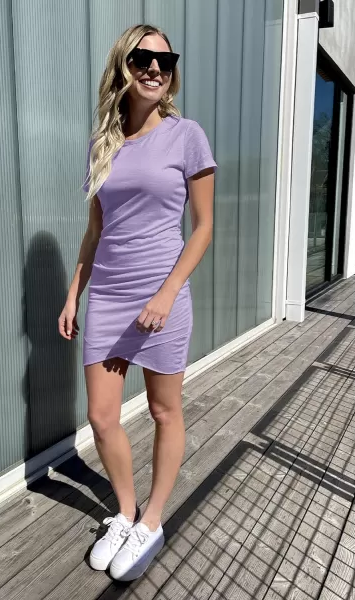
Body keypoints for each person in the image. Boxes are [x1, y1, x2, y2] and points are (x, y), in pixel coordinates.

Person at [58, 23, 216, 582]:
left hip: (161, 294)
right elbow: (95, 230)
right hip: (108, 293)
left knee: (163, 410)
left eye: (165, 61)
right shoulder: (102, 145)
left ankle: (152, 520)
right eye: (142, 58)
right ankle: (125, 512)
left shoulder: (186, 136)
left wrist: (167, 293)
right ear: (122, 67)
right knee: (102, 417)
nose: (154, 68)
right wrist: (74, 293)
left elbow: (203, 226)